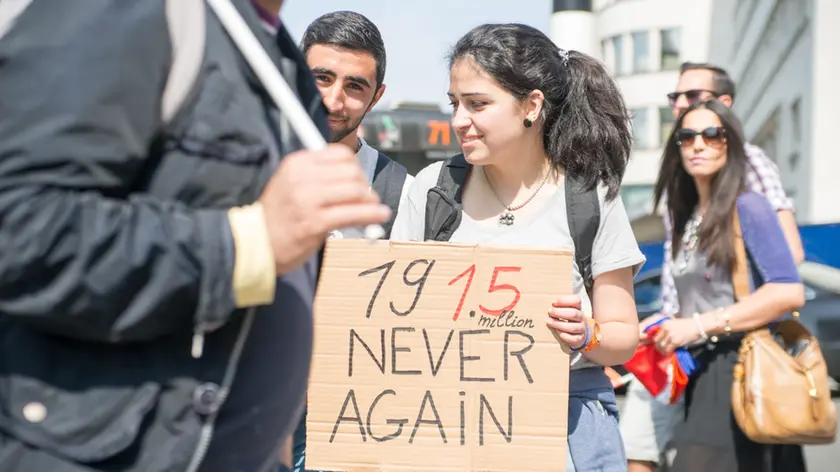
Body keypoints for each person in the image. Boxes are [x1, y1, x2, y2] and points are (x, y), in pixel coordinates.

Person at [0, 1, 391, 471]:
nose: (336, 98)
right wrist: (247, 243)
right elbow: (21, 228)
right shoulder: (133, 13)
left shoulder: (276, 59)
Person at [390, 23, 644, 471]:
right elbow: (390, 316)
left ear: (531, 106)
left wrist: (588, 333)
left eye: (477, 104)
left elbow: (623, 335)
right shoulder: (432, 190)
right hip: (450, 429)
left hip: (566, 431)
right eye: (455, 104)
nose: (458, 121)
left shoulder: (588, 198)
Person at [620, 62, 804, 472]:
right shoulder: (687, 216)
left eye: (711, 134)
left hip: (738, 366)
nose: (697, 145)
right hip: (695, 367)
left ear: (730, 143)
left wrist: (698, 325)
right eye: (687, 136)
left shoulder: (748, 205)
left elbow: (788, 290)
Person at [290, 11, 412, 472]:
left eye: (354, 86)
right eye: (321, 77)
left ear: (377, 95)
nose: (333, 99)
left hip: (354, 416)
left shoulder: (401, 190)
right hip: (256, 400)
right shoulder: (252, 168)